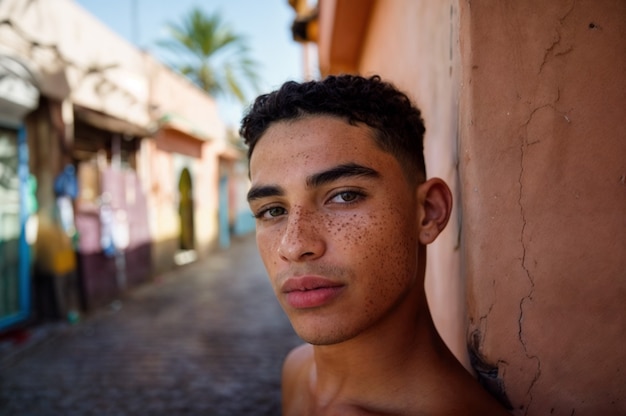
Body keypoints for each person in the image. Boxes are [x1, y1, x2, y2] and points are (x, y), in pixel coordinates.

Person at [240, 74, 509, 415]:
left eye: (344, 196)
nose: (294, 246)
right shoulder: (297, 371)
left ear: (427, 212)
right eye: (272, 210)